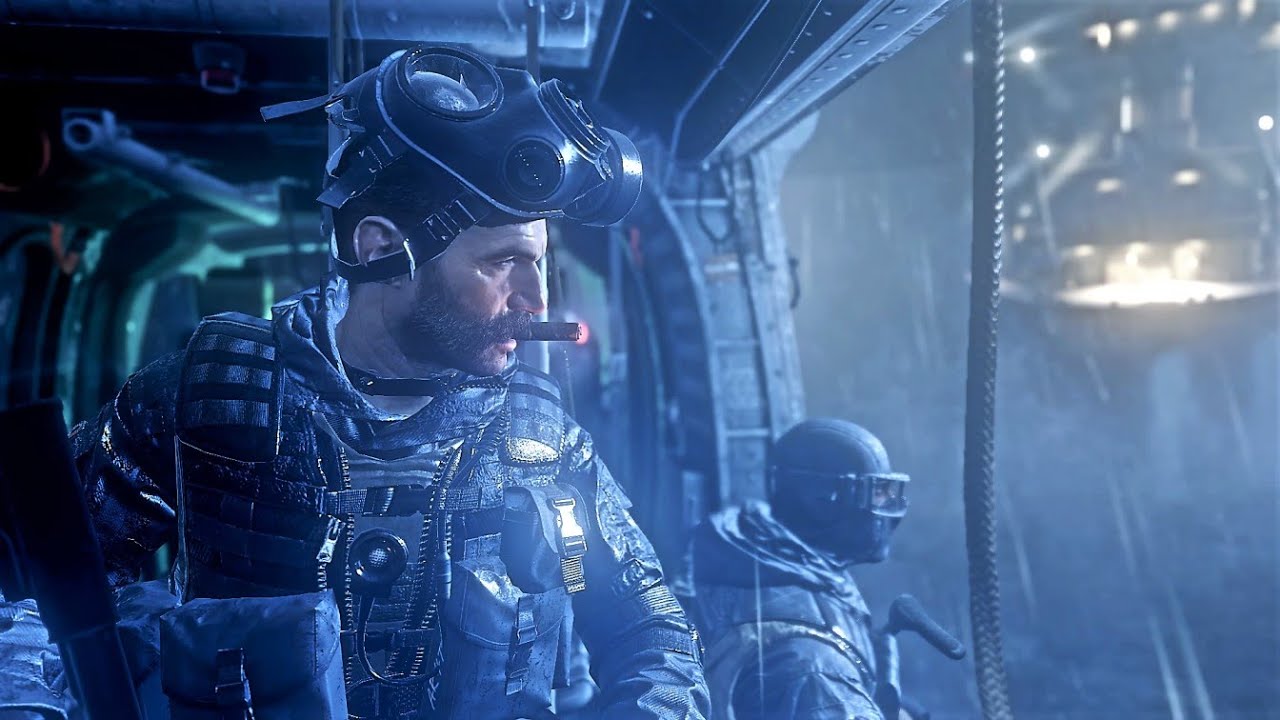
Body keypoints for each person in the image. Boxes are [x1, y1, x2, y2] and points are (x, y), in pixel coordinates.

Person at [66, 45, 707, 719]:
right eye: (503, 264)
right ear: (381, 250)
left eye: (540, 265)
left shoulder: (541, 441)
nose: (535, 301)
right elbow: (34, 585)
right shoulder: (210, 395)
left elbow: (653, 638)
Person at [686, 418, 910, 720]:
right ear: (826, 501)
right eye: (879, 492)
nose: (890, 507)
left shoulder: (762, 562)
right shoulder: (816, 670)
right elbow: (820, 690)